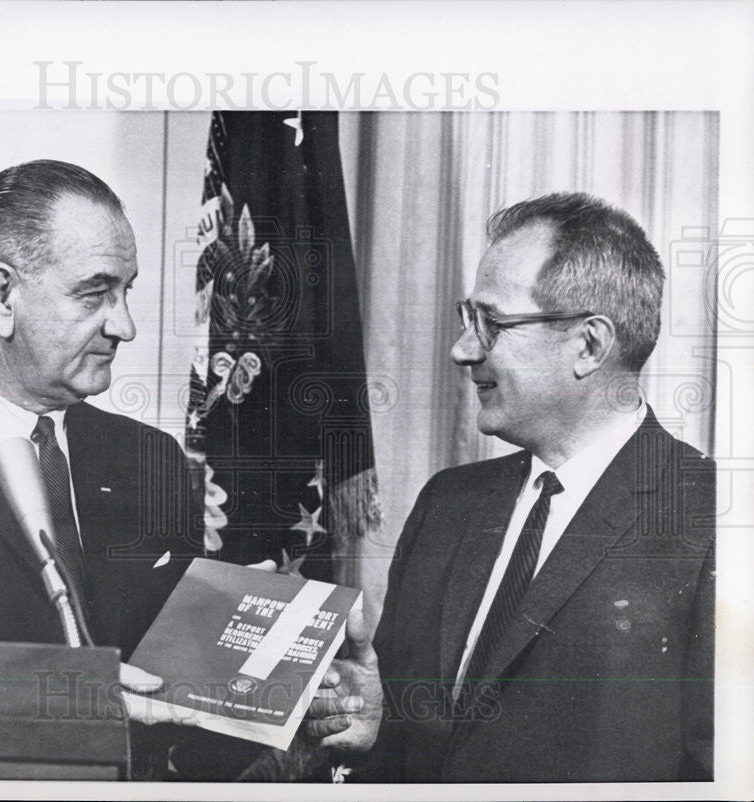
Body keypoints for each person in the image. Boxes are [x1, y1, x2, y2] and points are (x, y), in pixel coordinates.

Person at [306, 192, 715, 782]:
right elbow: (424, 742)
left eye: (490, 323)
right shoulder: (447, 504)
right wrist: (378, 721)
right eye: (466, 320)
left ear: (589, 345)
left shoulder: (712, 521)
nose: (462, 349)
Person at [0, 161, 207, 767]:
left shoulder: (153, 460)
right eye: (95, 294)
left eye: (126, 293)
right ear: (2, 296)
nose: (126, 326)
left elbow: (176, 699)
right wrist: (68, 700)